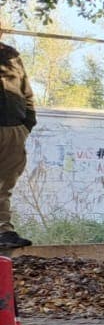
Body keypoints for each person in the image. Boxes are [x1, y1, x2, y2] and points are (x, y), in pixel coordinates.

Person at [0, 42, 36, 249]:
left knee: (4, 184)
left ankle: (4, 232)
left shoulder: (12, 56)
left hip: (14, 128)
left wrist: (27, 123)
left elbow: (27, 94)